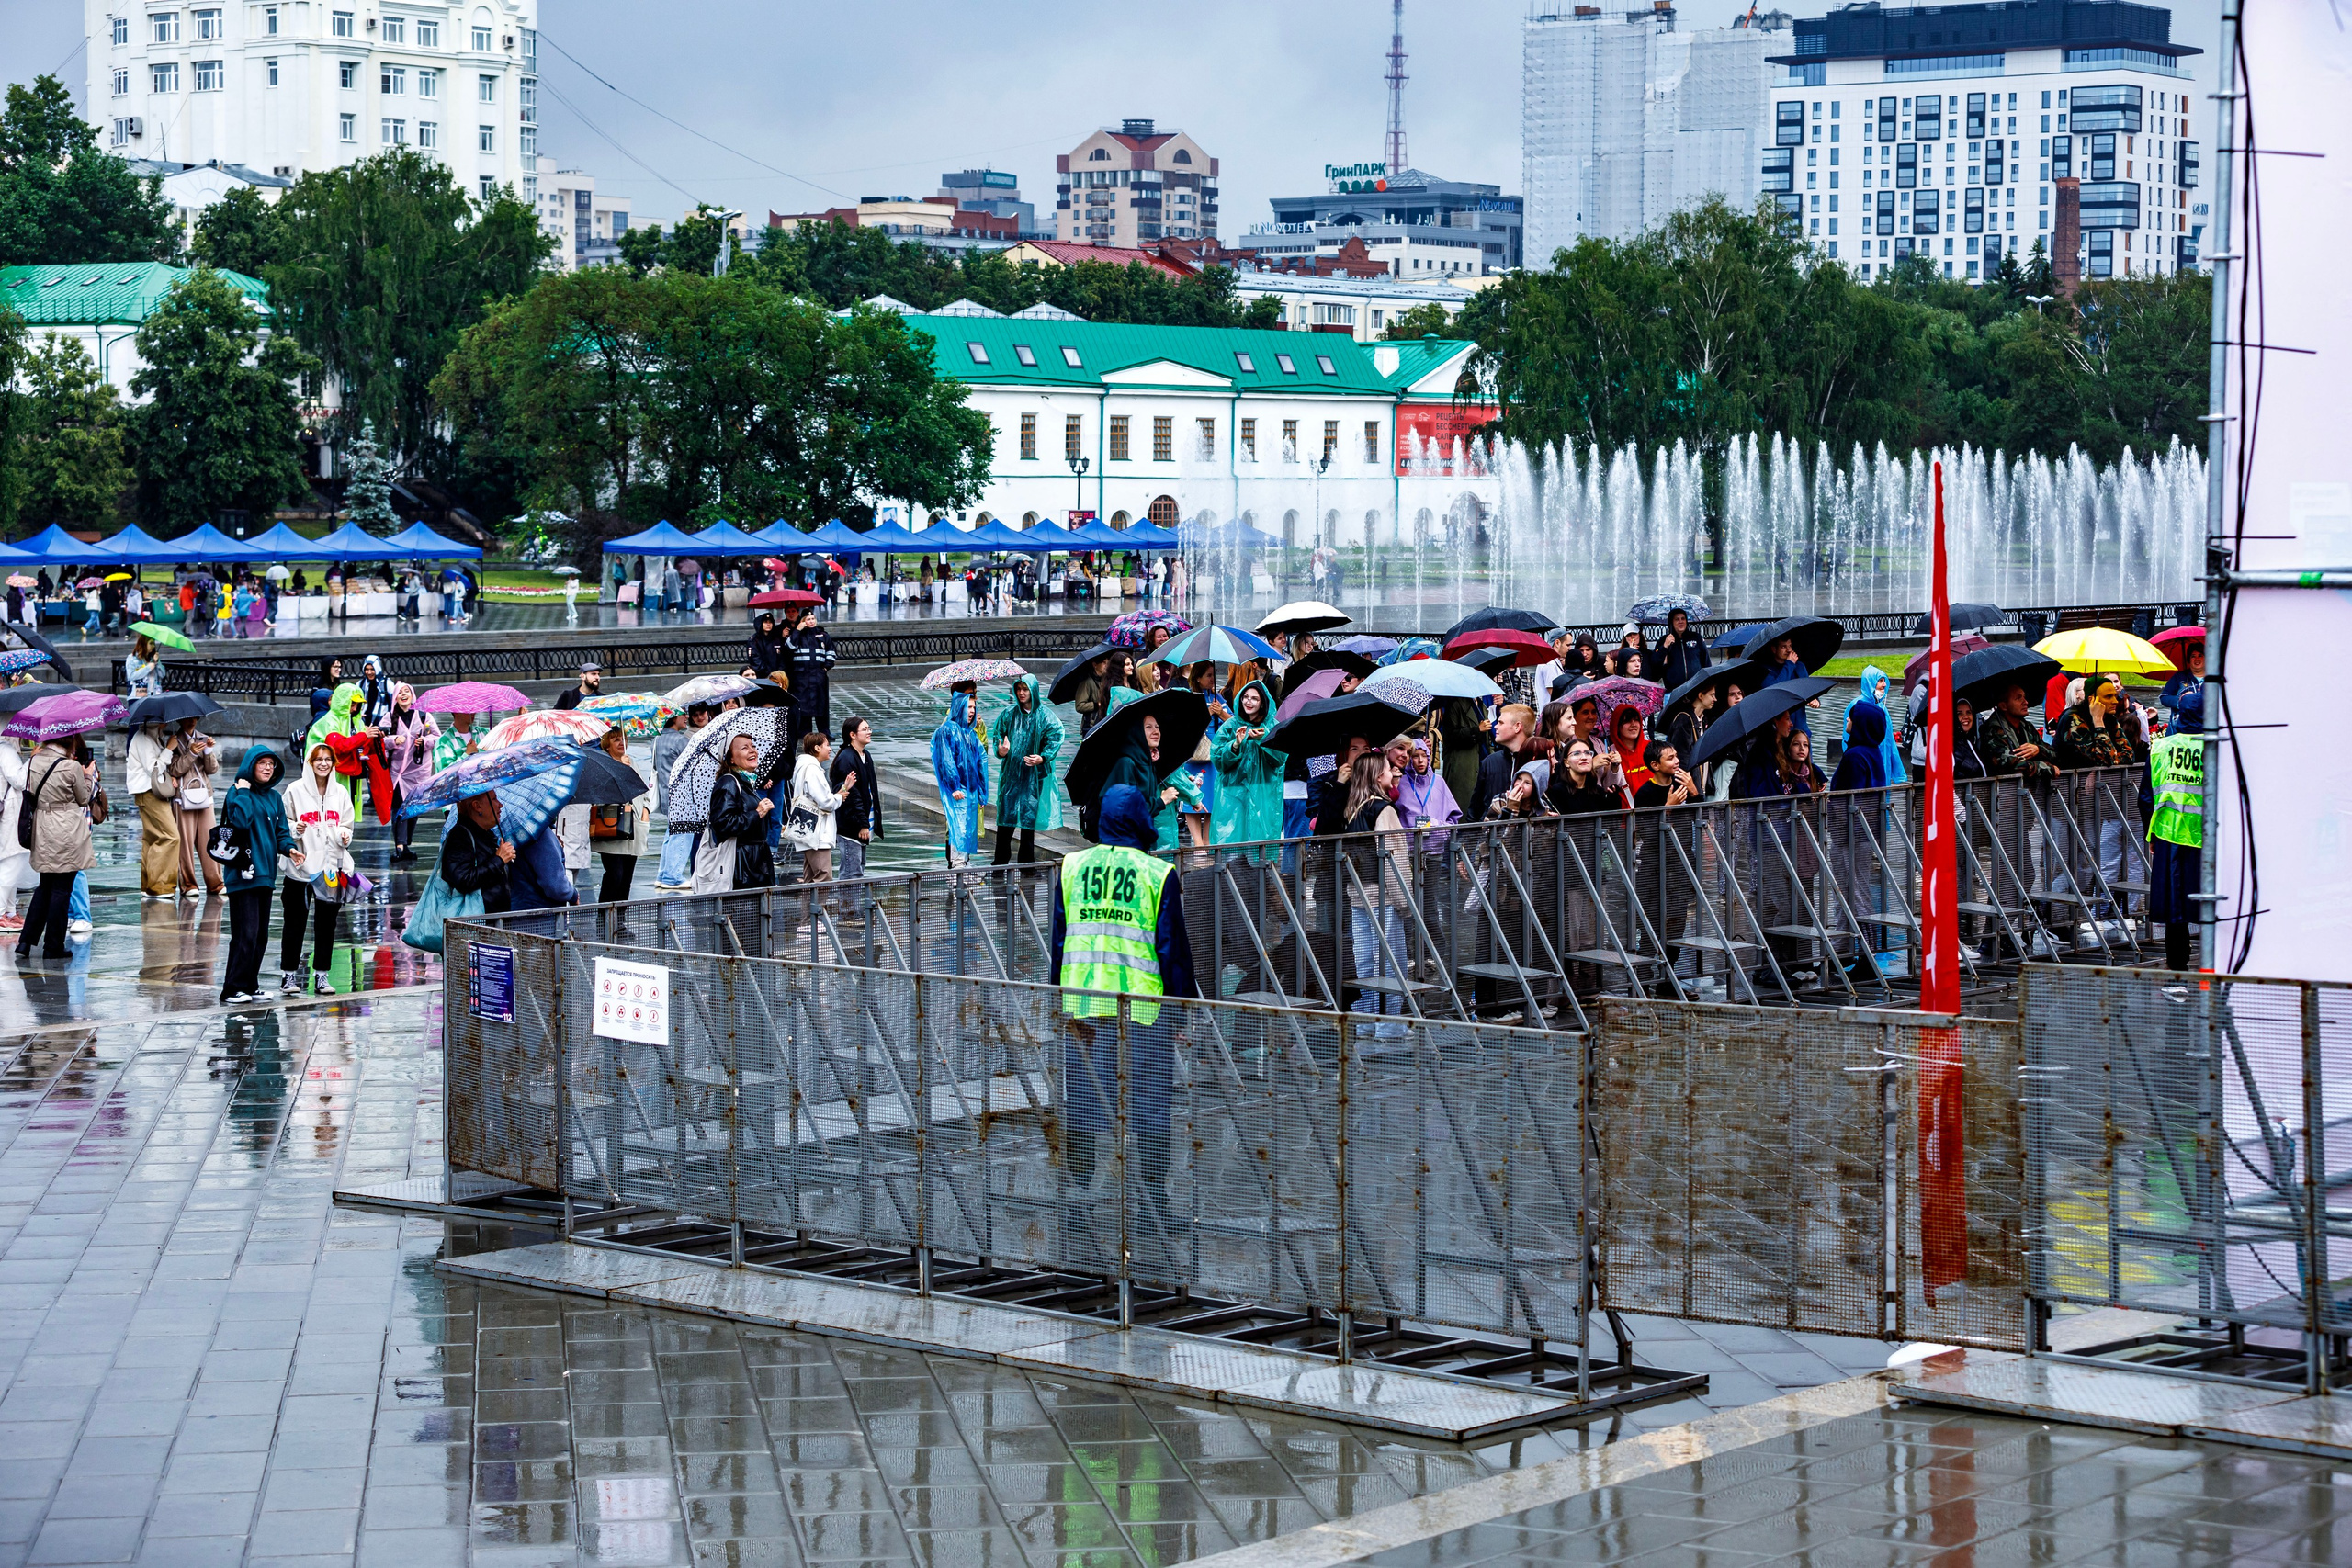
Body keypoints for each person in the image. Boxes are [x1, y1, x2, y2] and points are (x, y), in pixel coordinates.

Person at [1048, 782, 1198, 1253]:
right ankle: (1154, 1205)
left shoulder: (1071, 867)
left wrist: (1059, 997)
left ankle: (1078, 1202)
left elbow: (1060, 939)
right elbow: (1172, 949)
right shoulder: (1158, 873)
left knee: (1086, 1109)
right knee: (1151, 1111)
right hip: (1143, 1013)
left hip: (1084, 1011)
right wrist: (1181, 1011)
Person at [217, 747, 296, 1004]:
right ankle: (231, 989)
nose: (267, 768)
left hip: (266, 874)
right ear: (250, 766)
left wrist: (290, 848)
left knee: (260, 935)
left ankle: (250, 984)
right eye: (262, 763)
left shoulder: (274, 797)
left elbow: (281, 831)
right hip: (243, 873)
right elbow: (240, 822)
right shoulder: (237, 792)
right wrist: (242, 792)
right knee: (245, 933)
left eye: (271, 764)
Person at [280, 742, 356, 995]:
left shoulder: (340, 792)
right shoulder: (295, 790)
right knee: (295, 921)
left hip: (331, 867)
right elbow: (284, 823)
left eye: (327, 759)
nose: (323, 764)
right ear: (309, 762)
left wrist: (345, 835)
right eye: (318, 759)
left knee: (327, 922)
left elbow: (347, 823)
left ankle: (322, 975)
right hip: (300, 868)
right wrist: (295, 829)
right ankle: (288, 976)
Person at [18, 735, 93, 962]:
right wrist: (88, 777)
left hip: (42, 827)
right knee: (62, 888)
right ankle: (53, 945)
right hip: (66, 829)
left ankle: (25, 941)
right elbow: (83, 798)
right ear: (70, 741)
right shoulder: (70, 766)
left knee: (45, 886)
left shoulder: (34, 761)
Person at [2146, 687, 2205, 972]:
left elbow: (2146, 796)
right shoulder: (2217, 745)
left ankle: (2178, 967)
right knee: (2212, 901)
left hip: (2169, 835)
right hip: (2207, 837)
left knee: (2175, 908)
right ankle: (2214, 963)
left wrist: (2152, 834)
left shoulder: (2160, 747)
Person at [991, 674, 1063, 864]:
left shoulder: (1045, 716)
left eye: (1025, 689)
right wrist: (1001, 751)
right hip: (1011, 775)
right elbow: (998, 736)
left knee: (1028, 821)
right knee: (1005, 820)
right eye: (1019, 689)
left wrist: (1043, 757)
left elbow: (1056, 735)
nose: (1021, 693)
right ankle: (1000, 862)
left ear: (1033, 691)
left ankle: (1026, 864)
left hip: (1033, 777)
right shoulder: (1009, 714)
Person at [695, 732, 775, 893]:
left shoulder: (746, 782)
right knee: (744, 915)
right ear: (731, 759)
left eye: (753, 746)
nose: (752, 750)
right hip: (740, 867)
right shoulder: (728, 782)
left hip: (755, 863)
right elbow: (723, 824)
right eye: (744, 748)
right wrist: (757, 813)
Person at [1209, 679, 1285, 849]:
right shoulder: (1230, 726)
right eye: (1245, 697)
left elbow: (1280, 759)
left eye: (1254, 698)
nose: (1248, 702)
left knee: (1261, 848)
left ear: (1263, 703)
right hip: (1233, 794)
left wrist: (1264, 739)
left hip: (1264, 794)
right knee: (1232, 847)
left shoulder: (1273, 727)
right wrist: (1235, 745)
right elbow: (1218, 759)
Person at [588, 725, 651, 908]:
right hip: (612, 827)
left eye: (623, 738)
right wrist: (619, 771)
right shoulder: (603, 764)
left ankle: (620, 921)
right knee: (615, 875)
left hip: (634, 826)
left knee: (626, 879)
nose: (621, 743)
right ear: (607, 744)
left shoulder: (632, 762)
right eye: (616, 739)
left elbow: (643, 791)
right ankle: (605, 918)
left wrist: (645, 812)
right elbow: (600, 794)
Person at [652, 705, 708, 891]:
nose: (686, 718)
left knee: (671, 834)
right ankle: (673, 876)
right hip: (682, 795)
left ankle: (664, 873)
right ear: (673, 718)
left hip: (665, 793)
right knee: (683, 834)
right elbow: (695, 768)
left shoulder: (658, 739)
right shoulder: (680, 741)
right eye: (682, 715)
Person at [126, 718, 184, 901]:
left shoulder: (152, 737)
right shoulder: (144, 738)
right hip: (149, 792)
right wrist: (169, 749)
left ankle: (150, 885)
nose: (167, 723)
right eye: (164, 720)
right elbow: (153, 768)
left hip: (148, 792)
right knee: (170, 836)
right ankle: (160, 886)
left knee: (151, 839)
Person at [930, 691, 989, 868]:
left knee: (967, 828)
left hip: (970, 790)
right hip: (959, 790)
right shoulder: (947, 731)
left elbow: (980, 762)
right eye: (968, 707)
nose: (971, 711)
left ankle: (963, 862)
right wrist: (954, 786)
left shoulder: (970, 734)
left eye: (973, 707)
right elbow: (945, 761)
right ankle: (957, 865)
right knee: (958, 827)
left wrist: (981, 792)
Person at [785, 730, 850, 885]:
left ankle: (808, 909)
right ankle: (818, 909)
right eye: (827, 745)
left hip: (808, 830)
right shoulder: (813, 770)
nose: (830, 749)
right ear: (817, 748)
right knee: (823, 876)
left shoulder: (804, 766)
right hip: (817, 833)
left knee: (810, 877)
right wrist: (840, 797)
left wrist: (841, 792)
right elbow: (825, 802)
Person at [168, 717, 223, 900]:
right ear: (180, 720)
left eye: (195, 718)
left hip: (204, 795)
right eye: (188, 718)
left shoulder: (203, 738)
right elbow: (174, 770)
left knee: (210, 840)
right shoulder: (174, 741)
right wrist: (190, 754)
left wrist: (208, 751)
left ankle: (216, 882)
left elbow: (212, 769)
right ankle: (189, 884)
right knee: (185, 843)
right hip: (183, 798)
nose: (192, 721)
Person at [382, 683, 438, 863]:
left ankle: (406, 844)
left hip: (417, 771)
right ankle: (399, 846)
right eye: (400, 692)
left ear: (413, 695)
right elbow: (380, 739)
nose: (403, 695)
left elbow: (437, 737)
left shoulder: (424, 716)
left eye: (407, 691)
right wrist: (393, 740)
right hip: (397, 771)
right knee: (399, 807)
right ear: (395, 697)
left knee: (414, 808)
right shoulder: (389, 717)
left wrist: (425, 741)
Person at [439, 793, 515, 915]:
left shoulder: (485, 835)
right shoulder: (461, 836)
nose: (500, 805)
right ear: (477, 806)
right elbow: (463, 879)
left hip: (494, 921)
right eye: (494, 799)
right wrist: (498, 860)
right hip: (476, 925)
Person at [831, 717, 881, 884]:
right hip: (852, 826)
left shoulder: (865, 755)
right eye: (865, 729)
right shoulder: (847, 758)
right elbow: (853, 795)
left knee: (859, 867)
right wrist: (863, 824)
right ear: (852, 735)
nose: (869, 732)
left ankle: (854, 908)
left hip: (863, 822)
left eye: (869, 728)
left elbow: (869, 790)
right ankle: (849, 909)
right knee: (852, 873)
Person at [785, 608, 839, 750]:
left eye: (813, 619)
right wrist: (797, 630)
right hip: (802, 677)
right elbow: (789, 649)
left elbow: (831, 653)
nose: (811, 621)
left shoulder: (823, 635)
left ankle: (824, 732)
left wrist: (826, 667)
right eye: (808, 619)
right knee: (804, 707)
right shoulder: (797, 635)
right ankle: (805, 733)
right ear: (803, 621)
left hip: (819, 677)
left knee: (822, 706)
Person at [1847, 668, 1908, 784]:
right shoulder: (1856, 706)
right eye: (1880, 681)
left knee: (1883, 796)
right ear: (1870, 682)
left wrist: (1897, 771)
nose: (1884, 685)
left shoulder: (1882, 708)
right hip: (1863, 761)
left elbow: (1890, 741)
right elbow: (1847, 739)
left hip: (1882, 761)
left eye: (1884, 681)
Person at [0, 737, 28, 932]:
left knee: (11, 862)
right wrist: (31, 761)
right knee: (11, 863)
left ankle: (9, 911)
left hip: (8, 811)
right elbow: (19, 781)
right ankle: (2, 912)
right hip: (10, 813)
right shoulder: (6, 750)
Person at [1656, 608, 1709, 691]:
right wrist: (1665, 646)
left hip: (1696, 688)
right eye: (1677, 619)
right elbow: (1656, 663)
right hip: (1674, 690)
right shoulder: (1664, 640)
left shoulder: (1696, 637)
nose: (1681, 621)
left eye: (1683, 619)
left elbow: (1706, 662)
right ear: (1671, 622)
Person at [744, 613, 791, 698]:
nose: (768, 624)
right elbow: (756, 660)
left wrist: (778, 674)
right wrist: (769, 675)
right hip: (762, 678)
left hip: (777, 678)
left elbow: (783, 658)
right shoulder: (754, 641)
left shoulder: (777, 639)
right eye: (766, 622)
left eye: (770, 622)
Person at [126, 634, 164, 701]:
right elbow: (131, 676)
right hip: (138, 697)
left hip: (155, 695)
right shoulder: (132, 658)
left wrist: (157, 662)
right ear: (144, 644)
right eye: (151, 643)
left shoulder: (153, 658)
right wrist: (148, 668)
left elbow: (162, 675)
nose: (153, 646)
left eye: (154, 643)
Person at [310, 658, 344, 727]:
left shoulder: (337, 682)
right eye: (335, 667)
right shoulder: (318, 684)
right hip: (323, 720)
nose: (338, 669)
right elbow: (314, 706)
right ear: (327, 667)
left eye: (339, 667)